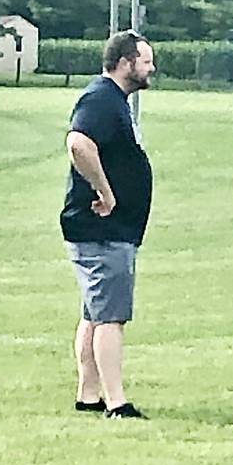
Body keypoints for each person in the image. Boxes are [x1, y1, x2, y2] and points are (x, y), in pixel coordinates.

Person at [60, 30, 156, 419]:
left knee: (94, 313)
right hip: (102, 229)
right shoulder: (101, 99)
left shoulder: (114, 101)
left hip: (106, 230)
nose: (152, 68)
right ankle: (116, 402)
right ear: (125, 62)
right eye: (146, 61)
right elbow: (78, 143)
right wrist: (106, 192)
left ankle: (89, 395)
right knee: (111, 317)